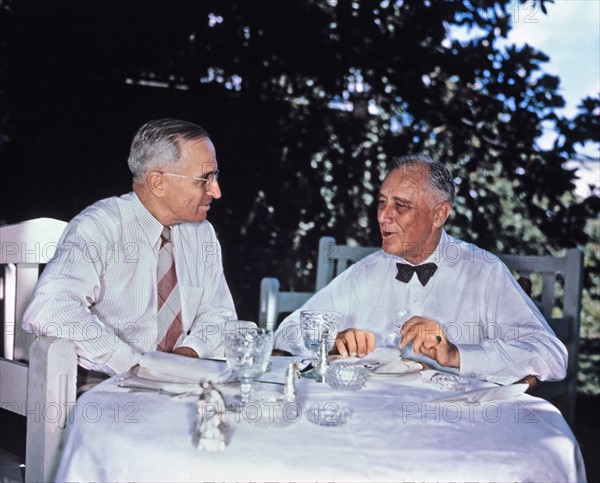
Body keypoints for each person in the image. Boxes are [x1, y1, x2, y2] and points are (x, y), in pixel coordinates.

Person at [274, 154, 567, 385]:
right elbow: (286, 332)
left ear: (439, 214)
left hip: (454, 428)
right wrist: (330, 340)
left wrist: (456, 355)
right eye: (381, 203)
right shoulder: (366, 272)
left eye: (400, 206)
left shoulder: (484, 271)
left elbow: (551, 355)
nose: (383, 216)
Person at [22, 119, 237, 382]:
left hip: (181, 383)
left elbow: (220, 314)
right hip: (107, 384)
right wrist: (138, 366)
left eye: (215, 177)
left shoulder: (201, 234)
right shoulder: (99, 227)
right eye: (204, 179)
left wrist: (188, 353)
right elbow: (51, 310)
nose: (216, 191)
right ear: (158, 183)